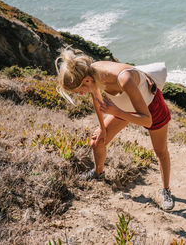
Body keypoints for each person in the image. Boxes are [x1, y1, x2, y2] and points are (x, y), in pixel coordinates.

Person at [55, 49, 174, 210]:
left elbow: (147, 120)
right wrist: (102, 128)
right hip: (121, 108)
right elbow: (96, 99)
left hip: (150, 108)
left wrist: (116, 112)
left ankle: (166, 190)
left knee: (160, 152)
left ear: (87, 81)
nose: (80, 94)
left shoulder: (124, 78)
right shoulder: (91, 73)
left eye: (79, 91)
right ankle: (98, 173)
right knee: (97, 142)